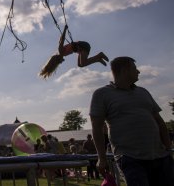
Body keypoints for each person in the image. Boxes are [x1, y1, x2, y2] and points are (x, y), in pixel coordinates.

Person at [90, 56, 173, 185]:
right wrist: (101, 158)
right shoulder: (102, 94)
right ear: (124, 70)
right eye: (135, 68)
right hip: (130, 158)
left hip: (160, 156)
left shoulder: (143, 92)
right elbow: (97, 127)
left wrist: (168, 150)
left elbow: (160, 122)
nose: (138, 71)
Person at [40, 25, 109, 78]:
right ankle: (98, 59)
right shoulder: (63, 54)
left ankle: (99, 55)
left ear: (58, 60)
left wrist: (65, 29)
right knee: (80, 65)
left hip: (82, 46)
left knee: (83, 63)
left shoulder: (60, 51)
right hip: (81, 48)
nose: (61, 62)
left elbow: (61, 40)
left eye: (59, 62)